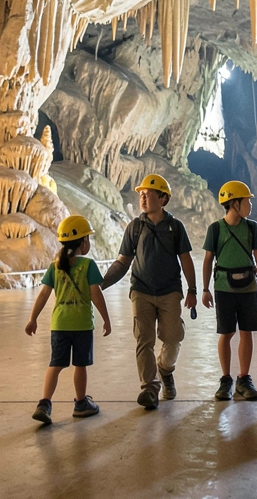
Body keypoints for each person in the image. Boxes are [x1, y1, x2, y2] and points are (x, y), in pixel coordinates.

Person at [101, 173, 198, 410]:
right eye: (141, 194)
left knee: (173, 338)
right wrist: (101, 284)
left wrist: (193, 290)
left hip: (170, 291)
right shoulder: (135, 227)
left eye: (148, 194)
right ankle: (150, 389)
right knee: (144, 340)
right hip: (141, 291)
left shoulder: (175, 227)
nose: (143, 199)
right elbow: (123, 262)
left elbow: (186, 259)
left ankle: (165, 370)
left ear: (163, 199)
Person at [26, 215, 111, 425]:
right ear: (83, 242)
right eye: (88, 239)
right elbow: (96, 295)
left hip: (60, 324)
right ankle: (81, 403)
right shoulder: (88, 265)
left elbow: (43, 294)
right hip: (82, 325)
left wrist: (33, 319)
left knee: (55, 364)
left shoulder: (55, 266)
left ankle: (44, 404)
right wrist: (106, 320)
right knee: (80, 365)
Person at [202, 180, 257, 401]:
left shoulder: (253, 228)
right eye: (247, 201)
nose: (250, 206)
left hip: (249, 287)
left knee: (246, 331)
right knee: (226, 333)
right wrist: (204, 289)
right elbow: (207, 260)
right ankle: (225, 380)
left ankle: (244, 379)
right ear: (233, 203)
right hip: (223, 287)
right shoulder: (215, 229)